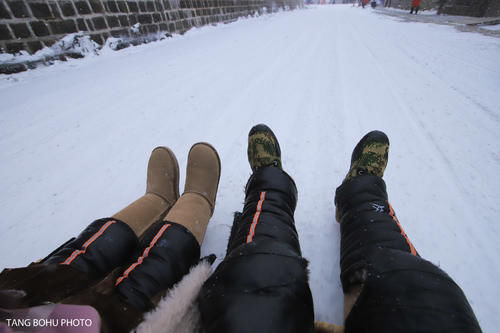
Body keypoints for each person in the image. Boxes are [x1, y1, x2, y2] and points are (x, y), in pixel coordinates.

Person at [0, 143, 221, 332]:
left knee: (85, 253)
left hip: (14, 305)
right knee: (151, 273)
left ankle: (157, 200)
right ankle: (197, 199)